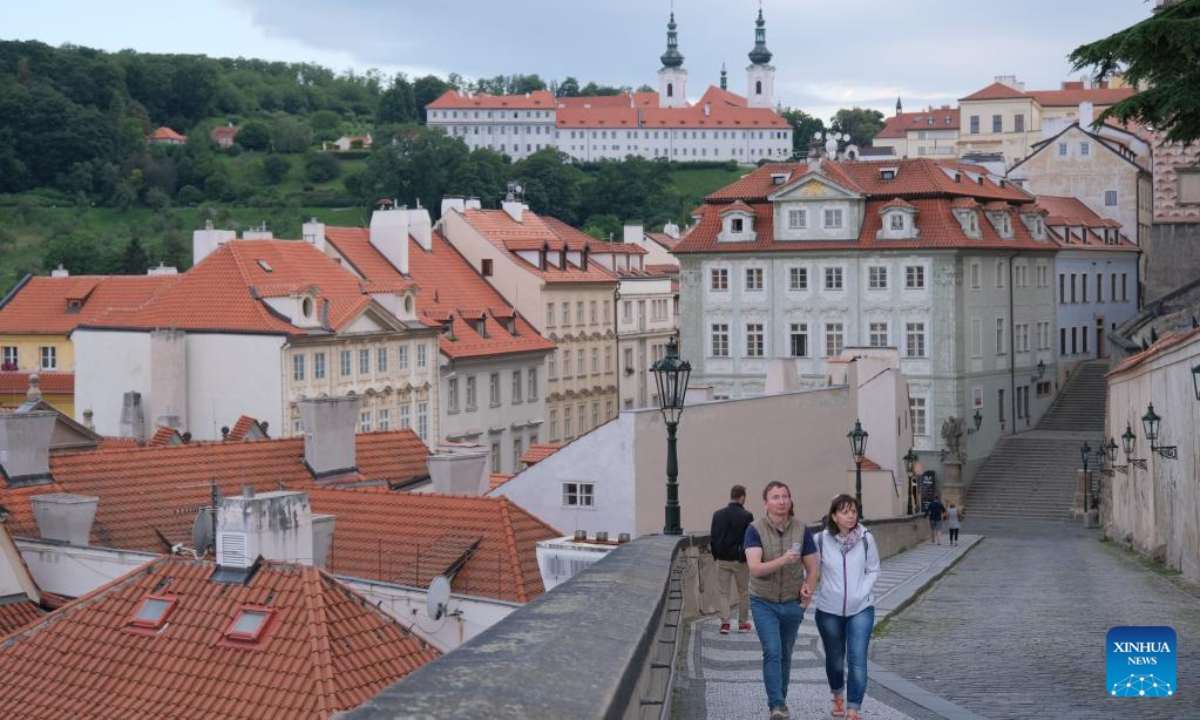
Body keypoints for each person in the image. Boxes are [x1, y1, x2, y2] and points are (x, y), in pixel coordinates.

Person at [745, 481, 819, 720]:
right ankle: (776, 704)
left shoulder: (801, 529)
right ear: (766, 503)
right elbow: (755, 568)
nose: (781, 501)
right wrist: (784, 560)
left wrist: (807, 595)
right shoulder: (754, 530)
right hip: (763, 601)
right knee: (773, 651)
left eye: (785, 496)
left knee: (786, 653)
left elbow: (813, 567)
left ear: (790, 501)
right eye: (775, 497)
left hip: (791, 602)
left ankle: (781, 701)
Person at [814, 494, 880, 720]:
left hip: (861, 608)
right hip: (828, 611)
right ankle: (838, 696)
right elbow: (811, 571)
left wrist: (862, 592)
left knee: (857, 658)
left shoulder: (865, 539)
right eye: (845, 511)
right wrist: (807, 589)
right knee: (834, 658)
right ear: (834, 515)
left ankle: (853, 709)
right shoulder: (821, 540)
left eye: (853, 511)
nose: (851, 516)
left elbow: (874, 569)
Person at [710, 484, 755, 634]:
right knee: (743, 592)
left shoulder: (717, 514)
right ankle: (742, 624)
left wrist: (716, 556)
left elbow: (713, 538)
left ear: (731, 496)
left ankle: (725, 624)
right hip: (739, 560)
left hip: (722, 559)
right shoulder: (747, 516)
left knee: (723, 593)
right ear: (742, 497)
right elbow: (750, 539)